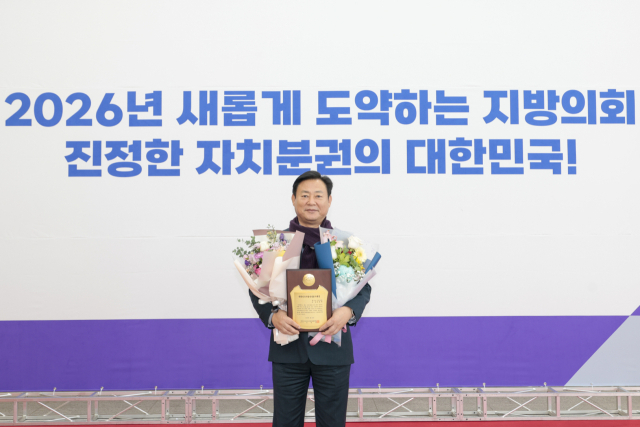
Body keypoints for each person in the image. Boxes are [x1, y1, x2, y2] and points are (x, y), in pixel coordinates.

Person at [249, 170, 372, 427]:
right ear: (293, 199)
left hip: (333, 347)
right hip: (288, 348)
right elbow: (257, 287)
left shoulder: (345, 243)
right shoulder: (276, 243)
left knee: (332, 422)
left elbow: (363, 288)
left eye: (318, 195)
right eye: (304, 195)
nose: (311, 201)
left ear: (329, 200)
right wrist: (273, 316)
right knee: (285, 421)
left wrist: (347, 312)